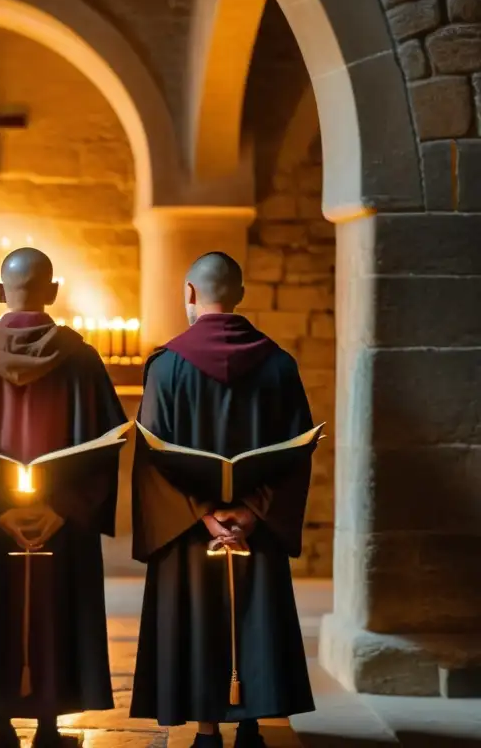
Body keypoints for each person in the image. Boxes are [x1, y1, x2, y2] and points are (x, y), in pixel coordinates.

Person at [0, 247, 126, 748]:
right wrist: (63, 508)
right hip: (63, 523)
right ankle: (49, 725)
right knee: (56, 612)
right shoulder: (81, 359)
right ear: (53, 292)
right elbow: (107, 446)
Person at [130, 252, 316, 748]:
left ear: (190, 293)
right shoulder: (279, 364)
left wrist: (204, 514)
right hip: (256, 527)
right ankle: (251, 722)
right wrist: (254, 511)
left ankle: (207, 730)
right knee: (254, 611)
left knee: (197, 616)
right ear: (240, 294)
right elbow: (299, 452)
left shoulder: (167, 366)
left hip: (192, 532)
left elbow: (152, 455)